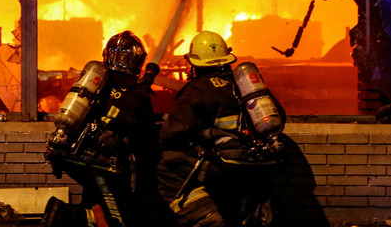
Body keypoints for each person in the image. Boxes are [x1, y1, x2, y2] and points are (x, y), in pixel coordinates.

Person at [156, 31, 286, 227]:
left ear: (196, 64)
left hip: (228, 165)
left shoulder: (197, 89)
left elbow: (172, 134)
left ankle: (205, 218)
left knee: (167, 166)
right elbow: (280, 116)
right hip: (263, 162)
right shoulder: (246, 86)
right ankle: (252, 215)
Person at [43, 30, 169, 227]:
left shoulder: (97, 84)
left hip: (80, 158)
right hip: (110, 166)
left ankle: (76, 214)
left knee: (95, 202)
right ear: (136, 60)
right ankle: (63, 215)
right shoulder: (138, 94)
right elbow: (146, 139)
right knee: (119, 219)